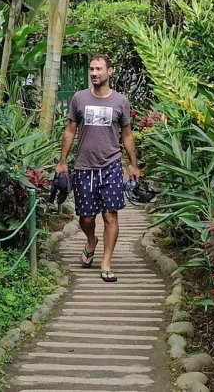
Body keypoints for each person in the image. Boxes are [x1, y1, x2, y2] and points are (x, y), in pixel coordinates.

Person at [55, 54, 141, 282]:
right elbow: (70, 131)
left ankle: (106, 262)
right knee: (86, 217)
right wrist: (62, 162)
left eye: (99, 69)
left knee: (110, 215)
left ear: (110, 71)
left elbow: (127, 135)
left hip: (111, 164)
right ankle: (91, 240)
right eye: (91, 69)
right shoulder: (79, 99)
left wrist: (133, 165)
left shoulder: (121, 102)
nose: (94, 73)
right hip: (84, 166)